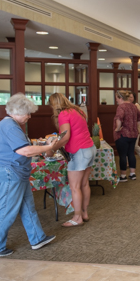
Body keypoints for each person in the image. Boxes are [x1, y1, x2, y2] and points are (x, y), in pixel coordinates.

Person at [0, 93, 59, 257]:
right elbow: (24, 151)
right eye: (28, 113)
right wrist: (47, 148)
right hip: (10, 172)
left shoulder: (12, 125)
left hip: (16, 172)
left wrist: (42, 147)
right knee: (6, 210)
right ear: (18, 111)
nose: (29, 116)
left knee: (28, 208)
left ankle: (37, 238)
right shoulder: (10, 126)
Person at [47, 93, 96, 227]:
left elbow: (65, 137)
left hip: (80, 151)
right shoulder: (77, 111)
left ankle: (77, 217)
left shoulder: (63, 114)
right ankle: (84, 213)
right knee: (84, 184)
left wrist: (51, 149)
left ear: (55, 104)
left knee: (75, 187)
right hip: (90, 148)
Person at [114, 90, 140, 182]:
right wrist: (137, 127)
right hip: (133, 134)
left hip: (123, 134)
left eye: (117, 98)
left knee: (122, 155)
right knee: (131, 153)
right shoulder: (134, 106)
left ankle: (123, 176)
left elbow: (118, 118)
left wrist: (117, 128)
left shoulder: (121, 107)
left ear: (121, 98)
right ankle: (132, 174)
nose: (116, 100)